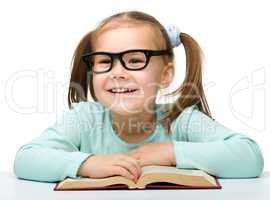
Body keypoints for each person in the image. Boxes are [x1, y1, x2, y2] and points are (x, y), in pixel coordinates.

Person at [13, 11, 264, 183]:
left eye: (135, 60)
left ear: (165, 75)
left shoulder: (181, 120)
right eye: (104, 62)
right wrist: (87, 164)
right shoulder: (84, 119)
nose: (117, 73)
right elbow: (26, 159)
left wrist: (171, 153)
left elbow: (249, 157)